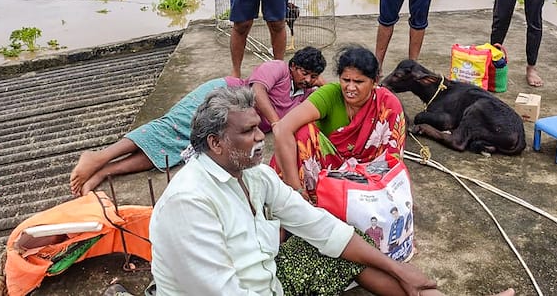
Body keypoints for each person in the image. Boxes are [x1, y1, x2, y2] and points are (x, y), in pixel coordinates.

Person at [149, 85, 516, 296]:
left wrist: (400, 269)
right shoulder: (189, 203)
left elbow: (317, 224)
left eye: (258, 127)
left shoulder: (254, 176)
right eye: (247, 132)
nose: (261, 137)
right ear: (215, 143)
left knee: (341, 241)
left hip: (267, 280)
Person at [69, 47, 325, 196]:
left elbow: (329, 91)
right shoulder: (278, 67)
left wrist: (317, 83)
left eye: (313, 76)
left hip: (230, 123)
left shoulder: (304, 94)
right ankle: (98, 156)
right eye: (304, 72)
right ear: (293, 66)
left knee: (176, 152)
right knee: (169, 127)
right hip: (221, 96)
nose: (307, 79)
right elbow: (257, 90)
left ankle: (105, 171)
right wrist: (276, 122)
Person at [271, 45, 405, 200]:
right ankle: (304, 200)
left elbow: (392, 158)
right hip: (326, 172)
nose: (350, 87)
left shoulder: (388, 105)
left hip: (368, 180)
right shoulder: (331, 94)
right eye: (345, 80)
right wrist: (296, 190)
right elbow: (282, 128)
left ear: (374, 81)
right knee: (302, 133)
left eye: (359, 82)